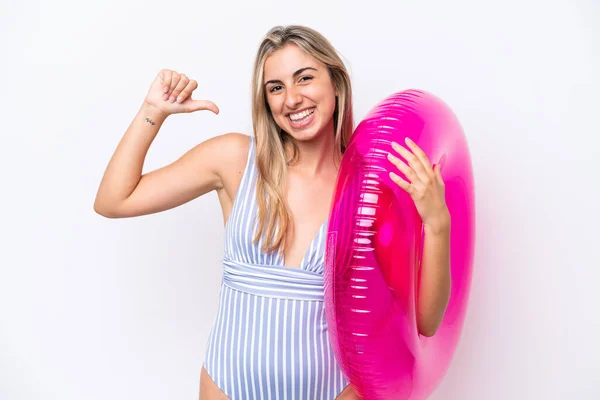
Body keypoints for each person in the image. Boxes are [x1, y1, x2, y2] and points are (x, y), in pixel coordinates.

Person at [94, 25, 451, 400]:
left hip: (333, 392)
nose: (292, 99)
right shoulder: (235, 160)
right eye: (276, 88)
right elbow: (115, 201)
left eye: (305, 78)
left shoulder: (368, 191)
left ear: (335, 83)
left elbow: (425, 321)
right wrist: (153, 111)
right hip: (227, 385)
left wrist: (437, 223)